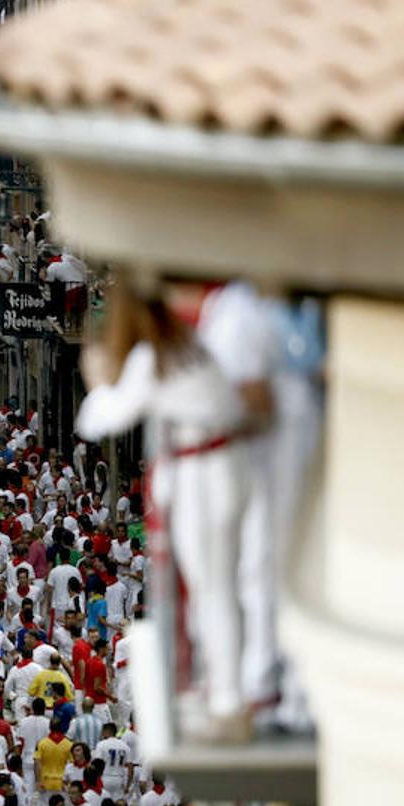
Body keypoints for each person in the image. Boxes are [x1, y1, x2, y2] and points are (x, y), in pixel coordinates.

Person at [76, 285, 252, 741]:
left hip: (202, 472)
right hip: (225, 465)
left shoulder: (154, 359)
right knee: (220, 585)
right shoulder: (192, 349)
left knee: (209, 587)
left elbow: (99, 420)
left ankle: (226, 696)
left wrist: (98, 376)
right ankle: (223, 688)